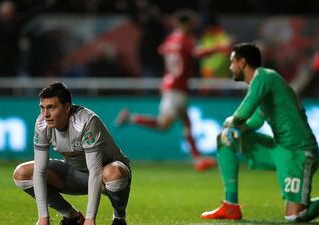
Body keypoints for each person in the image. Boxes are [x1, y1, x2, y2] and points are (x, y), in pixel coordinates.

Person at [201, 43, 319, 222]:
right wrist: (234, 130)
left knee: (295, 216)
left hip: (299, 152)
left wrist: (231, 123)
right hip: (280, 148)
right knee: (224, 140)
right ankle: (230, 206)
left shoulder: (265, 78)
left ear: (242, 62)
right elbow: (255, 121)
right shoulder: (264, 84)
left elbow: (244, 112)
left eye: (232, 62)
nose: (230, 67)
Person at [13, 82, 131, 225]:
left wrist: (90, 219)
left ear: (67, 107)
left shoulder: (86, 121)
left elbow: (95, 171)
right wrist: (43, 217)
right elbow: (40, 170)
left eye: (51, 107)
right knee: (22, 174)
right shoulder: (42, 124)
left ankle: (119, 217)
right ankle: (71, 216)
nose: (45, 114)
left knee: (115, 173)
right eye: (42, 108)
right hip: (76, 174)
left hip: (104, 176)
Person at [115, 9, 216, 172]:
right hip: (176, 88)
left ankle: (198, 159)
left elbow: (162, 50)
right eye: (191, 24)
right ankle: (130, 118)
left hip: (171, 84)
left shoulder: (170, 39)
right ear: (186, 24)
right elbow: (199, 53)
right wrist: (221, 48)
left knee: (187, 123)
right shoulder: (186, 39)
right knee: (164, 125)